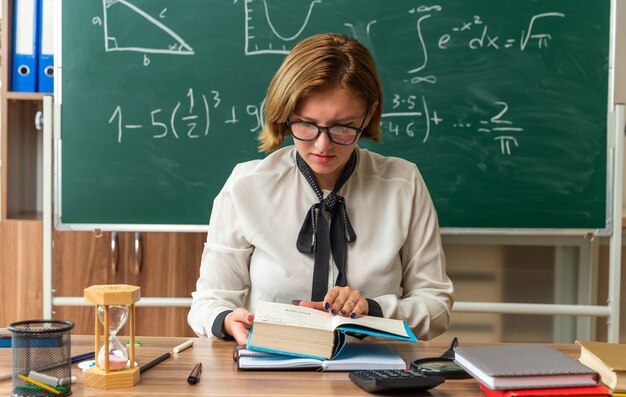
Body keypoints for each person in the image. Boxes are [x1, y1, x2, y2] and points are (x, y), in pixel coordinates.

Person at [188, 33, 453, 345]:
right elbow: (207, 304)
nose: (322, 145)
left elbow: (437, 307)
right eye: (306, 124)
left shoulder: (403, 183)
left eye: (343, 126)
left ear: (368, 116)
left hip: (374, 376)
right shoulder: (247, 185)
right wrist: (226, 319)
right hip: (267, 377)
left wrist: (374, 311)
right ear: (285, 115)